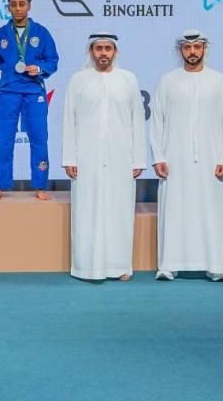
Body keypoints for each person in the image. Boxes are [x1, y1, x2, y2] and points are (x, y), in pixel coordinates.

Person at [151, 29, 223, 282]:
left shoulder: (220, 81)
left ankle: (217, 266)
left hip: (212, 159)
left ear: (204, 49)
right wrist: (158, 156)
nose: (192, 52)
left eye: (197, 47)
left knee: (213, 210)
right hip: (174, 159)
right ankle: (169, 265)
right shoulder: (167, 81)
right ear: (180, 50)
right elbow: (157, 121)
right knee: (174, 209)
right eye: (187, 48)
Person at [62, 33, 146, 281]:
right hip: (85, 157)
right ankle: (86, 267)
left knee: (119, 210)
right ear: (91, 51)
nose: (103, 53)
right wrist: (69, 158)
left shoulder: (128, 79)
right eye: (98, 48)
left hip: (121, 156)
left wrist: (138, 159)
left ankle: (119, 266)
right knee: (87, 210)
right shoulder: (78, 80)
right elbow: (69, 119)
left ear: (115, 52)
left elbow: (137, 120)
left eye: (108, 48)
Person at [0, 0, 59, 200]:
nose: (18, 8)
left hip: (33, 91)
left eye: (22, 4)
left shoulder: (41, 32)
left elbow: (53, 60)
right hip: (8, 91)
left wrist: (39, 68)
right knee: (3, 140)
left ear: (29, 6)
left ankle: (40, 185)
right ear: (8, 7)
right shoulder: (0, 34)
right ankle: (0, 185)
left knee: (39, 138)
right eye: (13, 4)